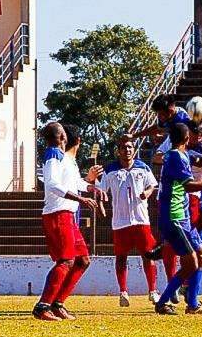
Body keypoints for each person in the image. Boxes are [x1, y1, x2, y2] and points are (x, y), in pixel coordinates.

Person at [154, 123, 202, 315]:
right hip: (174, 217)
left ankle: (193, 304)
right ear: (187, 138)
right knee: (191, 262)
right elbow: (188, 186)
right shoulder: (175, 158)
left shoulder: (182, 155)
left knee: (201, 256)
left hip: (184, 218)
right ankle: (163, 302)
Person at [33, 122, 106, 321]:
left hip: (67, 215)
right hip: (58, 213)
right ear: (62, 137)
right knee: (66, 260)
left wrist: (91, 188)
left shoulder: (65, 159)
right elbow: (52, 184)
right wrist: (81, 199)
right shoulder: (53, 155)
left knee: (82, 260)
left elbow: (73, 183)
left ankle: (57, 303)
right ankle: (43, 306)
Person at [100, 139, 160, 307]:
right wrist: (101, 203)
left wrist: (146, 194)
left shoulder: (143, 167)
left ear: (134, 150)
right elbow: (101, 190)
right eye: (123, 147)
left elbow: (152, 186)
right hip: (120, 222)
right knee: (121, 257)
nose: (127, 149)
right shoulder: (110, 170)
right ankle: (123, 292)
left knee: (148, 255)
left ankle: (153, 291)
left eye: (130, 147)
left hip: (141, 219)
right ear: (118, 150)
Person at [125, 94, 190, 141]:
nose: (159, 116)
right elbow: (157, 128)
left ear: (171, 110)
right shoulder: (166, 116)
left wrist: (164, 136)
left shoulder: (183, 120)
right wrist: (134, 136)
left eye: (161, 114)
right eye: (158, 113)